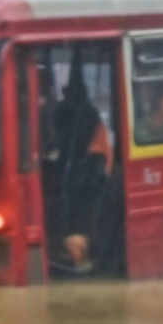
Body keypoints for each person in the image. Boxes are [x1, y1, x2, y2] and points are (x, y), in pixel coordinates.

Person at [48, 67, 112, 272]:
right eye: (76, 253)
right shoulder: (67, 116)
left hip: (87, 170)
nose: (65, 96)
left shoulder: (87, 120)